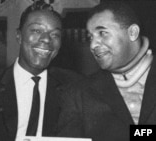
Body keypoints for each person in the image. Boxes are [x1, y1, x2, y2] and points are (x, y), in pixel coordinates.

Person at [0, 0, 85, 141]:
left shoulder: (75, 86)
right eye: (36, 30)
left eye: (55, 34)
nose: (46, 39)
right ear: (19, 36)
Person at [57, 1, 156, 141]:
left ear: (133, 33)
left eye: (102, 33)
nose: (92, 45)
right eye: (90, 37)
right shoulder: (78, 94)